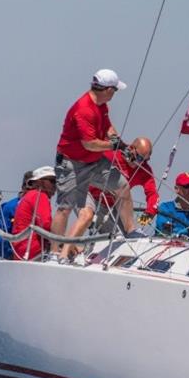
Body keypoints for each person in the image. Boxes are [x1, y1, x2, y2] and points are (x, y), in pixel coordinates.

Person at [52, 69, 135, 258]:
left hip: (94, 161)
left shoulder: (102, 105)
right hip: (72, 164)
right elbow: (89, 144)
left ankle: (131, 232)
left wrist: (120, 143)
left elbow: (107, 127)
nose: (115, 94)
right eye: (114, 90)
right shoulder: (85, 109)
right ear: (107, 89)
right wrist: (113, 146)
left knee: (122, 186)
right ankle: (54, 252)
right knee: (65, 208)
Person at [83, 137, 159, 235]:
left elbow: (152, 193)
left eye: (145, 160)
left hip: (112, 206)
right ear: (131, 148)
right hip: (90, 197)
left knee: (128, 236)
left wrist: (149, 212)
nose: (140, 163)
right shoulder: (110, 154)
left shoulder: (144, 170)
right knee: (88, 219)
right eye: (139, 158)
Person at [11, 166, 57, 261]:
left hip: (20, 251)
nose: (55, 185)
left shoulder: (29, 195)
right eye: (52, 181)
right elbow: (46, 225)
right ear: (39, 182)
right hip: (33, 251)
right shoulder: (40, 196)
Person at [154, 172, 189, 240]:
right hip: (166, 247)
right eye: (187, 186)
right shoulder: (166, 208)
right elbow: (164, 229)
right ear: (176, 189)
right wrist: (186, 235)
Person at [0, 170, 34, 259]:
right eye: (31, 186)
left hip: (37, 255)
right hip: (13, 256)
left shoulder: (42, 205)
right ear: (23, 187)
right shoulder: (9, 207)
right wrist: (12, 246)